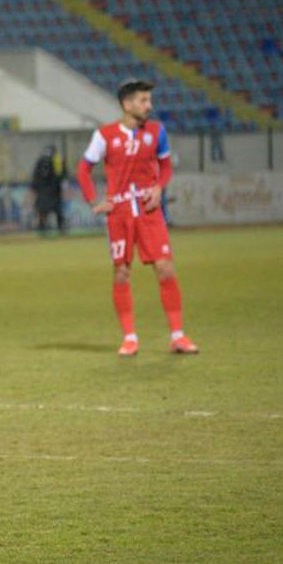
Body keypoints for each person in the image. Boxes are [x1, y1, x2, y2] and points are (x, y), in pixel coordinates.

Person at [76, 79, 198, 357]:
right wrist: (93, 200)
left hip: (148, 211)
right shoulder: (105, 135)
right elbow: (83, 169)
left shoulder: (156, 132)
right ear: (127, 104)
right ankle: (130, 337)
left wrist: (158, 188)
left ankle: (177, 336)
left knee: (166, 267)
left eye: (149, 100)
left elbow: (165, 166)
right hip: (119, 213)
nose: (149, 106)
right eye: (143, 101)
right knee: (121, 273)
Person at [31, 145, 66, 234]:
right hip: (52, 191)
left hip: (45, 191)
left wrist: (35, 188)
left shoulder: (44, 161)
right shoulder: (57, 160)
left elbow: (35, 177)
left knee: (44, 211)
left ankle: (42, 229)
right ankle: (60, 229)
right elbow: (61, 176)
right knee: (53, 211)